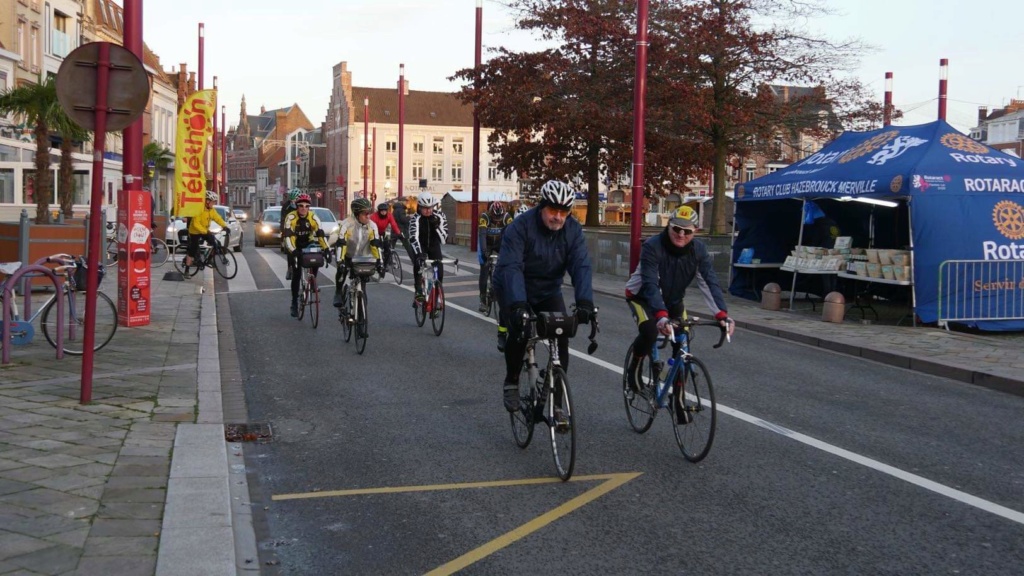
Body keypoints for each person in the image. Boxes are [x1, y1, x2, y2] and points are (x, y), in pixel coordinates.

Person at [622, 205, 734, 422]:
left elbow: (709, 282)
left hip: (674, 300)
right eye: (676, 229)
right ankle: (634, 370)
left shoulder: (698, 251)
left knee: (682, 345)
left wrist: (722, 315)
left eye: (687, 231)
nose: (681, 235)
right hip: (642, 296)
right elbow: (650, 284)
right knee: (650, 331)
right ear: (669, 226)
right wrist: (661, 316)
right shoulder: (653, 247)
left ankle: (678, 399)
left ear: (696, 232)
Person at [493, 180, 594, 412]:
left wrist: (585, 302)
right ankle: (512, 380)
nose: (557, 217)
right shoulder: (520, 228)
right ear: (542, 207)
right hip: (513, 285)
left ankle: (557, 404)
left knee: (561, 336)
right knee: (521, 330)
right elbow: (511, 268)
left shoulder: (572, 230)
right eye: (553, 210)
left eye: (563, 212)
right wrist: (518, 305)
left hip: (548, 288)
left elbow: (581, 266)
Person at [283, 193, 330, 317]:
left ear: (309, 208)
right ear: (297, 207)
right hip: (294, 244)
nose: (304, 208)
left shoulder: (313, 217)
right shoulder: (291, 217)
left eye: (306, 206)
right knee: (297, 274)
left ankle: (312, 279)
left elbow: (320, 234)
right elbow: (287, 237)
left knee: (317, 257)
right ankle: (294, 302)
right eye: (301, 206)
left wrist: (326, 249)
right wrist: (293, 251)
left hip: (308, 242)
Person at [333, 198, 383, 308]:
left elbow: (375, 244)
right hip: (347, 255)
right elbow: (341, 244)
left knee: (362, 287)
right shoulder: (346, 224)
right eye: (365, 213)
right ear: (356, 214)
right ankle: (337, 292)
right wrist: (340, 261)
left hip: (363, 257)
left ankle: (361, 316)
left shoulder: (372, 226)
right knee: (342, 273)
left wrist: (379, 261)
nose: (368, 216)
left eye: (369, 213)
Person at [408, 192, 448, 301]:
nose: (428, 211)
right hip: (420, 246)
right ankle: (418, 291)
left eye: (430, 208)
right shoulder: (415, 219)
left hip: (434, 246)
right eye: (425, 208)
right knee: (418, 263)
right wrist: (419, 254)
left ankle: (437, 299)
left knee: (439, 272)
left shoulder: (440, 216)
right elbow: (413, 238)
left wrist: (436, 226)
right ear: (419, 207)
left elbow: (444, 240)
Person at [478, 201, 513, 313]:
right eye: (495, 218)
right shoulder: (485, 217)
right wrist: (484, 252)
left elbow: (512, 235)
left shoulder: (507, 217)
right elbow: (482, 235)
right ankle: (483, 299)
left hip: (500, 244)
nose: (497, 220)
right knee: (484, 268)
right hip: (487, 244)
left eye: (499, 218)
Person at [183, 190, 229, 269]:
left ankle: (208, 260)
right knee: (193, 250)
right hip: (195, 231)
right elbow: (195, 224)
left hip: (204, 230)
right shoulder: (199, 210)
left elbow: (218, 218)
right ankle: (187, 269)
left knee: (216, 244)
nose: (214, 204)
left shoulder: (212, 210)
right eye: (213, 202)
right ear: (207, 201)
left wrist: (225, 226)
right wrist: (206, 232)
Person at [369, 202, 402, 275]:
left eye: (385, 211)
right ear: (379, 211)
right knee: (377, 247)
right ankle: (377, 262)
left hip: (383, 232)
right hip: (374, 232)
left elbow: (393, 224)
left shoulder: (389, 215)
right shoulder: (374, 216)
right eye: (382, 211)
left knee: (387, 248)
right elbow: (371, 227)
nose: (384, 212)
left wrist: (399, 233)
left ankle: (385, 265)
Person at [281, 189, 299, 280]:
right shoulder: (286, 206)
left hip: (301, 231)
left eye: (295, 200)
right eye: (292, 200)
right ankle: (289, 269)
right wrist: (283, 232)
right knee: (290, 251)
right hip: (290, 231)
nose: (293, 202)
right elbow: (283, 220)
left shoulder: (302, 206)